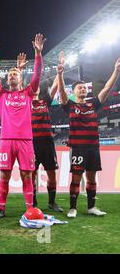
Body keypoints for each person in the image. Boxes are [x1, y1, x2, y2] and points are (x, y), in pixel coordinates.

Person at [0, 34, 45, 220]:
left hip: (26, 142)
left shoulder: (28, 93)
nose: (12, 75)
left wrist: (37, 53)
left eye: (16, 74)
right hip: (6, 141)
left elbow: (37, 74)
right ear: (7, 80)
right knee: (4, 176)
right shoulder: (1, 94)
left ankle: (29, 209)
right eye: (10, 74)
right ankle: (1, 209)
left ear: (21, 79)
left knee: (27, 176)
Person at [57, 54, 120, 218]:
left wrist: (116, 71)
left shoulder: (94, 103)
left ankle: (91, 207)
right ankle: (73, 208)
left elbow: (106, 89)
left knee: (92, 177)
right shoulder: (69, 105)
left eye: (85, 88)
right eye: (80, 88)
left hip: (93, 147)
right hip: (77, 147)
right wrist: (60, 74)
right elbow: (62, 91)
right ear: (74, 91)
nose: (83, 89)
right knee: (76, 177)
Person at [21, 51, 63, 212]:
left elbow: (54, 88)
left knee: (51, 173)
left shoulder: (45, 100)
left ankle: (52, 202)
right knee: (32, 174)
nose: (35, 87)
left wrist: (60, 73)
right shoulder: (24, 101)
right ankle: (33, 202)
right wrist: (22, 69)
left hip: (47, 142)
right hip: (31, 143)